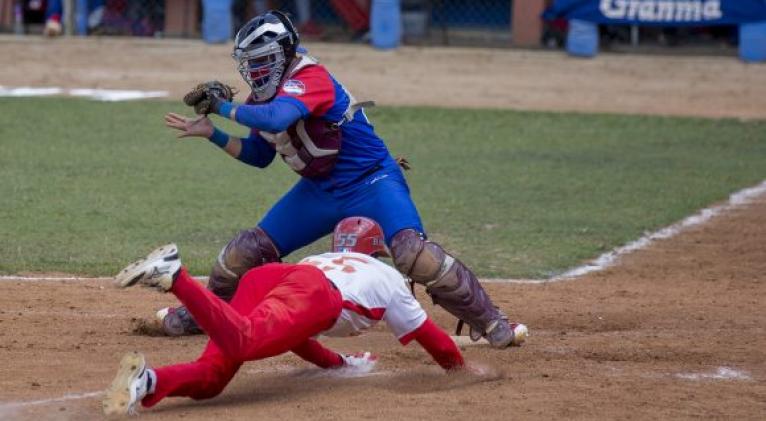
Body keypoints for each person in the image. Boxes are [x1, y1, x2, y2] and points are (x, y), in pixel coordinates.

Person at [162, 10, 521, 349]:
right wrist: (213, 133)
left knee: (414, 255)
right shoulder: (261, 99)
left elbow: (276, 119)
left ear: (284, 53)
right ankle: (203, 315)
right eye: (249, 64)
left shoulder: (310, 77)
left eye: (261, 61)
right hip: (321, 191)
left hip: (372, 181)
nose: (253, 72)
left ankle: (490, 321)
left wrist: (222, 107)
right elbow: (259, 156)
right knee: (242, 252)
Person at [103, 217, 507, 416]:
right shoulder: (387, 277)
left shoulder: (324, 257)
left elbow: (296, 332)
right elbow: (435, 341)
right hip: (316, 294)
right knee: (244, 340)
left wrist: (337, 363)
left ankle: (147, 382)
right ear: (375, 250)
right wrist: (461, 369)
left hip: (275, 276)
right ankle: (176, 277)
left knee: (213, 377)